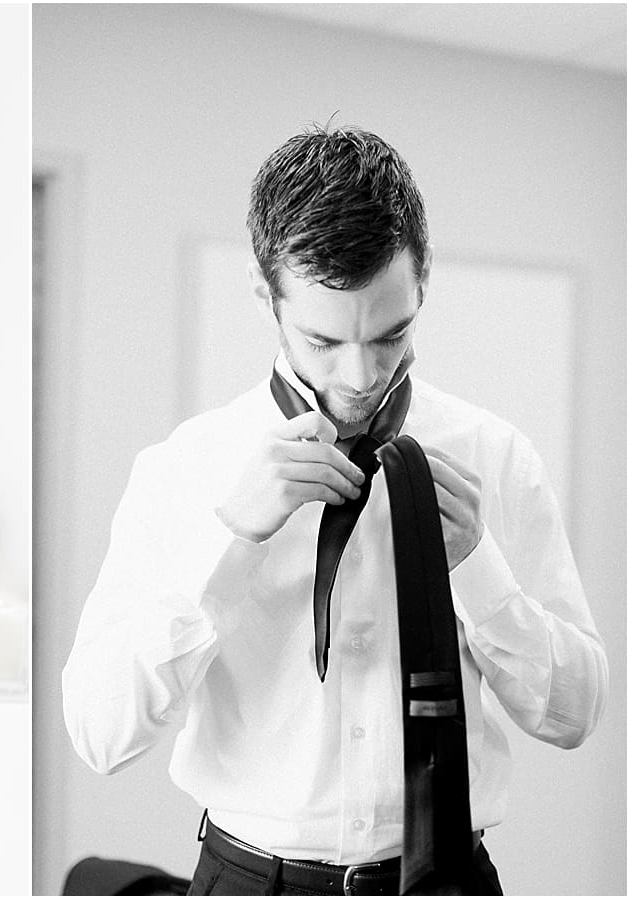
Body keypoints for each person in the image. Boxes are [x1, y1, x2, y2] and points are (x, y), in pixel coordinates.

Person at [61, 126, 608, 896]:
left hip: (449, 880)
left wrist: (480, 569)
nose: (360, 376)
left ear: (423, 282)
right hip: (252, 881)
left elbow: (575, 713)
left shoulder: (494, 454)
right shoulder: (185, 469)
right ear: (267, 299)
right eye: (323, 340)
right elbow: (101, 732)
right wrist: (229, 541)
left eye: (392, 335)